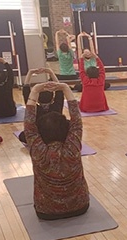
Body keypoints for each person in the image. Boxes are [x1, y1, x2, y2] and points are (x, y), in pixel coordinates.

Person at [24, 81, 90, 220]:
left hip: (46, 211)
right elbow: (76, 120)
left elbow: (29, 125)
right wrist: (65, 88)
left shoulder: (38, 149)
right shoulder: (72, 147)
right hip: (80, 207)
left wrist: (35, 91)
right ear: (66, 129)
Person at [18, 68, 64, 143]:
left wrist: (30, 72)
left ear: (37, 99)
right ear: (52, 99)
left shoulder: (34, 108)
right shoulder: (56, 106)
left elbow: (26, 93)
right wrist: (51, 73)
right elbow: (60, 91)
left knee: (23, 135)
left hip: (41, 137)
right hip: (57, 136)